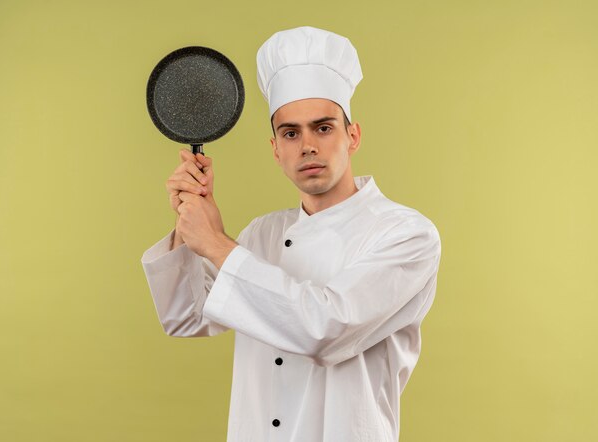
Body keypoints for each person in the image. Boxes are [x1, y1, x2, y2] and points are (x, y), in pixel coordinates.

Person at [141, 26, 442, 442]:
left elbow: (325, 329)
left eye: (323, 128)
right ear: (275, 149)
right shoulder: (262, 233)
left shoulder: (406, 234)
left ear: (352, 136)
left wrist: (215, 243)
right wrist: (188, 224)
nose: (307, 146)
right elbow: (184, 317)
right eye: (290, 132)